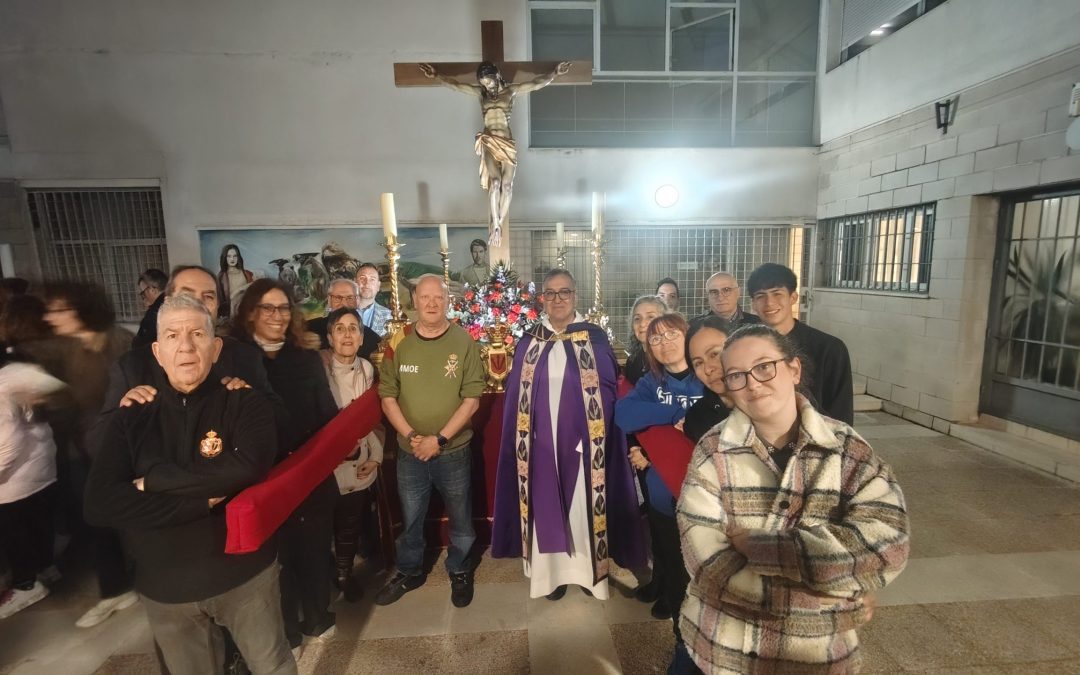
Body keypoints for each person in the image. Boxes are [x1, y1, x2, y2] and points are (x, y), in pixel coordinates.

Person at [678, 325, 909, 673]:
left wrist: (762, 547)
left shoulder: (846, 448)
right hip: (726, 651)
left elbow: (887, 547)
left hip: (817, 656)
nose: (752, 383)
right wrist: (833, 600)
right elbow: (707, 563)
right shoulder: (713, 451)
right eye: (737, 375)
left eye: (764, 367)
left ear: (794, 369)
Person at [83, 295, 294, 675]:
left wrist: (153, 481)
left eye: (197, 334)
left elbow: (247, 467)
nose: (185, 346)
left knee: (271, 665)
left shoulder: (243, 402)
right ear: (157, 351)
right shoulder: (132, 415)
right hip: (166, 587)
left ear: (215, 348)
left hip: (244, 575)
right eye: (172, 335)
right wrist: (200, 502)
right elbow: (100, 503)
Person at [492, 269, 645, 601]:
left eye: (564, 292)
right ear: (542, 299)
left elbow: (608, 392)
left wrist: (595, 436)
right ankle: (550, 578)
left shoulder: (594, 339)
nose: (558, 299)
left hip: (585, 447)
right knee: (545, 511)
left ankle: (589, 575)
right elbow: (516, 397)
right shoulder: (530, 341)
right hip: (540, 446)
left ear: (575, 296)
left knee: (583, 512)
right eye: (550, 293)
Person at [231, 279, 339, 654]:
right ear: (250, 313)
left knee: (313, 547)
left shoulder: (305, 356)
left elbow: (327, 411)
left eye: (283, 308)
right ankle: (286, 627)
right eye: (268, 308)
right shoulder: (236, 361)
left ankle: (317, 614)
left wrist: (338, 443)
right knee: (276, 557)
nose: (277, 316)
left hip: (307, 470)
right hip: (263, 475)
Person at [376, 275, 484, 608]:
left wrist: (439, 439)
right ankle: (410, 571)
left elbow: (472, 400)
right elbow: (387, 396)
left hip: (453, 451)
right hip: (410, 452)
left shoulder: (464, 342)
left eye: (438, 297)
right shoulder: (400, 341)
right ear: (415, 301)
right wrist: (413, 437)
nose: (432, 303)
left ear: (448, 301)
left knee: (461, 519)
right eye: (425, 297)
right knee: (410, 518)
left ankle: (460, 570)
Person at [42, 281, 138, 628]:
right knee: (95, 519)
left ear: (82, 309)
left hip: (121, 448)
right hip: (82, 450)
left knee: (130, 519)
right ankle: (115, 589)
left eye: (59, 309)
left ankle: (137, 581)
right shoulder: (66, 349)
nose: (51, 317)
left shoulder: (120, 342)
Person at [614, 314, 704, 667]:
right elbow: (625, 414)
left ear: (687, 336)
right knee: (674, 566)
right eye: (655, 339)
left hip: (704, 494)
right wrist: (675, 411)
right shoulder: (653, 382)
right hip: (664, 490)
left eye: (671, 334)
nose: (664, 342)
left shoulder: (706, 374)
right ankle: (682, 642)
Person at [420, 60, 571, 247]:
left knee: (507, 187)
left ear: (496, 76)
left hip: (506, 143)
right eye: (483, 83)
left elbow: (536, 83)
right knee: (496, 182)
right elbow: (456, 85)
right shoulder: (480, 94)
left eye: (489, 82)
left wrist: (554, 73)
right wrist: (437, 76)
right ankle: (496, 225)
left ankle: (499, 221)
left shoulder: (511, 91)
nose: (487, 86)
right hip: (489, 142)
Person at [319, 307, 382, 602]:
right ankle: (323, 574)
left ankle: (344, 573)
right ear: (330, 337)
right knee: (324, 523)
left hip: (358, 460)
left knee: (350, 522)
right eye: (340, 329)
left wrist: (375, 457)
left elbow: (370, 420)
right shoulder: (318, 371)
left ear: (361, 337)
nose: (347, 335)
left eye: (353, 328)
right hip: (325, 462)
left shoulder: (367, 369)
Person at [0, 352, 66, 619]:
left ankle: (26, 584)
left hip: (15, 479)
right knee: (37, 521)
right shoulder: (17, 369)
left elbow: (9, 441)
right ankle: (45, 567)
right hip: (41, 462)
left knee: (15, 532)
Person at [747, 263, 854, 425]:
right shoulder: (745, 348)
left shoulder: (829, 348)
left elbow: (841, 412)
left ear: (793, 297)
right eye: (761, 296)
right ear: (753, 304)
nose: (769, 303)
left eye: (777, 294)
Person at [683, 315, 734, 444]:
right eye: (698, 363)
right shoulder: (696, 417)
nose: (707, 369)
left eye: (714, 354)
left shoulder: (768, 399)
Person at [305, 278, 381, 359]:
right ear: (329, 300)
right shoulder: (309, 330)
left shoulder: (371, 338)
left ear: (357, 301)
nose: (344, 304)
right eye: (338, 298)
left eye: (350, 298)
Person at [624, 295, 668, 384]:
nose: (642, 324)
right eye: (637, 319)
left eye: (650, 317)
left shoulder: (672, 358)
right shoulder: (632, 361)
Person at [693, 272, 760, 329]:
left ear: (738, 292)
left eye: (726, 290)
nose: (720, 298)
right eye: (714, 292)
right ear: (707, 296)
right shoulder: (694, 327)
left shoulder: (758, 324)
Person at [132, 268, 168, 349]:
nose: (143, 298)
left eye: (143, 293)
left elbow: (144, 342)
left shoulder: (155, 312)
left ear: (152, 290)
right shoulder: (176, 302)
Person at [354, 263, 392, 337]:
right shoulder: (339, 312)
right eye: (362, 278)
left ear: (378, 286)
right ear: (355, 283)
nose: (367, 283)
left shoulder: (389, 316)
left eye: (372, 279)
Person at [218, 244, 254, 319]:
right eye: (229, 256)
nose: (232, 259)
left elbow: (253, 290)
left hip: (247, 311)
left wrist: (238, 290)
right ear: (225, 258)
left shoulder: (247, 274)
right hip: (230, 314)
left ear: (238, 257)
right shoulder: (221, 276)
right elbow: (220, 300)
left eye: (235, 256)